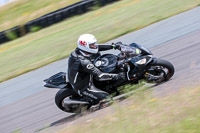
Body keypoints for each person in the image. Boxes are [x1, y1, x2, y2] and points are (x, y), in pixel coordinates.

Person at [67, 34, 127, 105]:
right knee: (108, 99)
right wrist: (118, 76)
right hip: (85, 85)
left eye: (94, 44)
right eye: (92, 45)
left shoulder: (83, 50)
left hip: (89, 74)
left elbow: (98, 47)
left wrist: (114, 46)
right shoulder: (83, 61)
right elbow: (100, 76)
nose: (95, 46)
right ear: (85, 46)